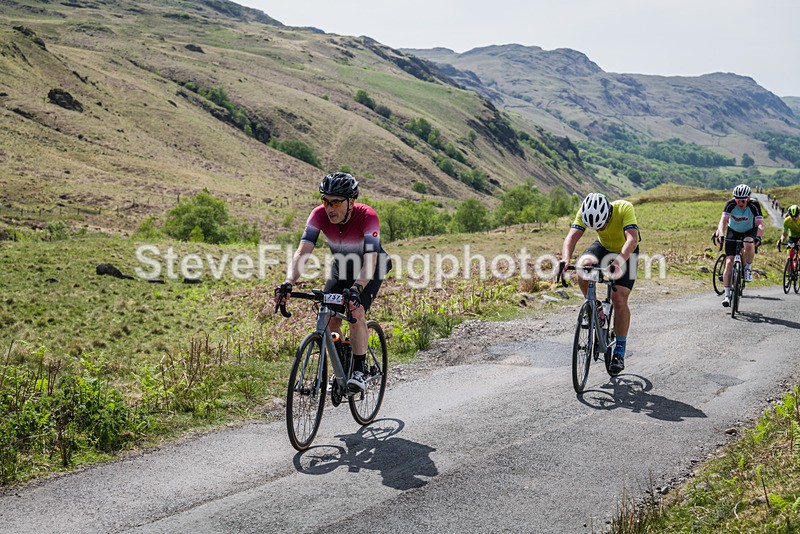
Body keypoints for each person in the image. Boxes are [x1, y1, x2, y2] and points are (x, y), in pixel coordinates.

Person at [275, 172, 391, 392]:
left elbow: (370, 260)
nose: (330, 208)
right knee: (329, 318)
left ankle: (358, 369)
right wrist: (288, 282)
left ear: (351, 202)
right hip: (343, 267)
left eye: (336, 202)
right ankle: (341, 363)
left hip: (371, 267)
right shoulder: (318, 215)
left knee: (355, 312)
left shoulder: (368, 217)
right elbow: (303, 252)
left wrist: (357, 289)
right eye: (326, 201)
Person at [560, 193, 640, 375]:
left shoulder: (624, 208)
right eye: (597, 228)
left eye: (603, 225)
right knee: (582, 267)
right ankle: (594, 307)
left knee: (618, 298)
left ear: (608, 214)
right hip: (603, 247)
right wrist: (565, 259)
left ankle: (619, 350)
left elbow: (632, 239)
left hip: (626, 252)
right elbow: (571, 237)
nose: (601, 228)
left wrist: (618, 262)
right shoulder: (585, 211)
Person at [713, 184, 764, 307]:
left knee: (748, 243)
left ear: (748, 198)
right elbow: (723, 222)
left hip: (749, 230)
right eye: (737, 199)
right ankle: (727, 296)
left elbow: (760, 224)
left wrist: (758, 236)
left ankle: (748, 268)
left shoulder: (754, 205)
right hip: (733, 231)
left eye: (743, 200)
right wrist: (720, 233)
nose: (740, 202)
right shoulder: (730, 204)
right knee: (729, 262)